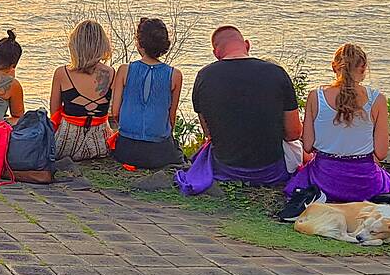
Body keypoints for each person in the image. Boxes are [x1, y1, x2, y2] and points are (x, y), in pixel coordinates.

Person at [172, 25, 302, 195]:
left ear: (216, 53)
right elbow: (293, 133)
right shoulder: (276, 73)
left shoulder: (205, 76)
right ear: (247, 45)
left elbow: (208, 133)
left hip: (225, 168)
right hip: (271, 171)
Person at [282, 44, 390, 207]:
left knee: (302, 176)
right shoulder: (377, 100)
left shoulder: (316, 97)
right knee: (388, 181)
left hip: (324, 180)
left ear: (334, 66)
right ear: (364, 68)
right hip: (364, 183)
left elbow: (308, 146)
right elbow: (381, 153)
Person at [109, 18, 185, 170]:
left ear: (139, 43)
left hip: (127, 150)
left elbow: (115, 112)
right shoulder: (175, 75)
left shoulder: (125, 70)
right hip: (158, 151)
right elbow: (171, 117)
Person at [49, 20, 114, 163]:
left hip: (66, 144)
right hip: (100, 144)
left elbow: (54, 113)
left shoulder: (62, 73)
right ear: (102, 44)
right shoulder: (111, 73)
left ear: (75, 45)